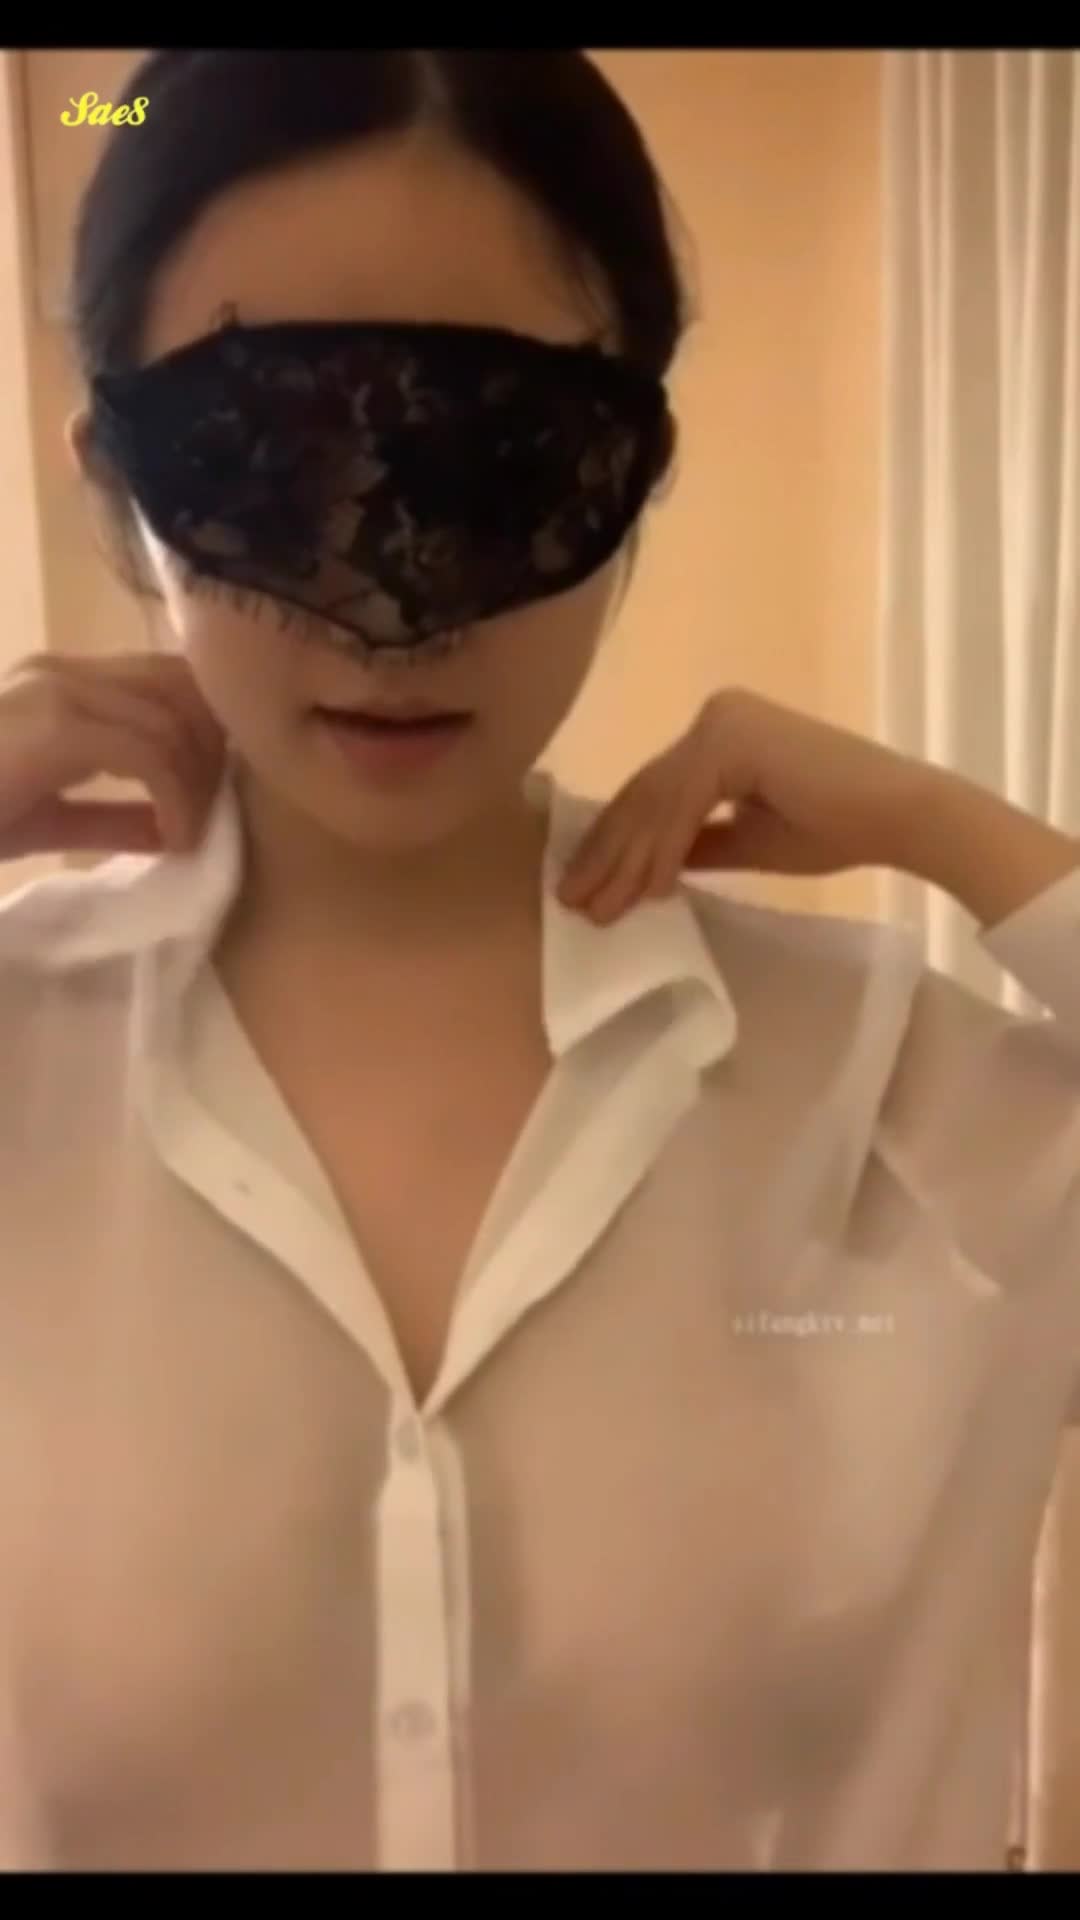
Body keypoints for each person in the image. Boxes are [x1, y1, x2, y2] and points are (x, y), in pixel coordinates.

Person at [0, 49, 1077, 1875]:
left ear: (636, 463)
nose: (394, 609)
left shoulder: (887, 1096)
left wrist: (958, 832)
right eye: (274, 458)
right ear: (121, 483)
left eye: (503, 462)